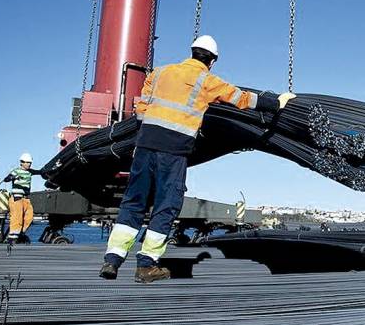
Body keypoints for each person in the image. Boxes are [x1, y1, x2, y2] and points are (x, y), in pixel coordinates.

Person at [100, 35, 295, 282]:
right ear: (212, 61)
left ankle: (112, 259)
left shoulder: (160, 73)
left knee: (134, 201)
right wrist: (276, 104)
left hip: (145, 145)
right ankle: (147, 264)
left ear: (192, 52)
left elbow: (141, 109)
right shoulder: (207, 81)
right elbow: (241, 99)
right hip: (174, 152)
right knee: (166, 204)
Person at [2, 153, 42, 243]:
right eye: (27, 162)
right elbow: (6, 179)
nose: (29, 164)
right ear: (21, 162)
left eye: (30, 163)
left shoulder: (30, 172)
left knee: (30, 217)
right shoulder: (16, 171)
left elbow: (40, 172)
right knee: (17, 217)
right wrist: (13, 177)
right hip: (16, 198)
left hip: (26, 198)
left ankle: (20, 233)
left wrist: (54, 168)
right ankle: (12, 236)